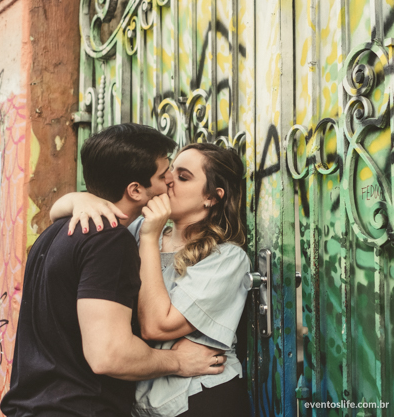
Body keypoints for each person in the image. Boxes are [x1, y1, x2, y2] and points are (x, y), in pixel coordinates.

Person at [1, 124, 228, 417]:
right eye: (163, 175)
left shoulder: (57, 229)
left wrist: (77, 198)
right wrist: (178, 361)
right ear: (135, 190)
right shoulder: (110, 241)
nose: (170, 180)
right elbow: (108, 355)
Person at [51, 141, 251, 417]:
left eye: (183, 177)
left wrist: (149, 238)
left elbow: (157, 326)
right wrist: (81, 200)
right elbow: (56, 212)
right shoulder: (135, 229)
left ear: (212, 197)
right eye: (169, 173)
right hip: (139, 401)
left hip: (199, 397)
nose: (169, 182)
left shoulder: (226, 258)